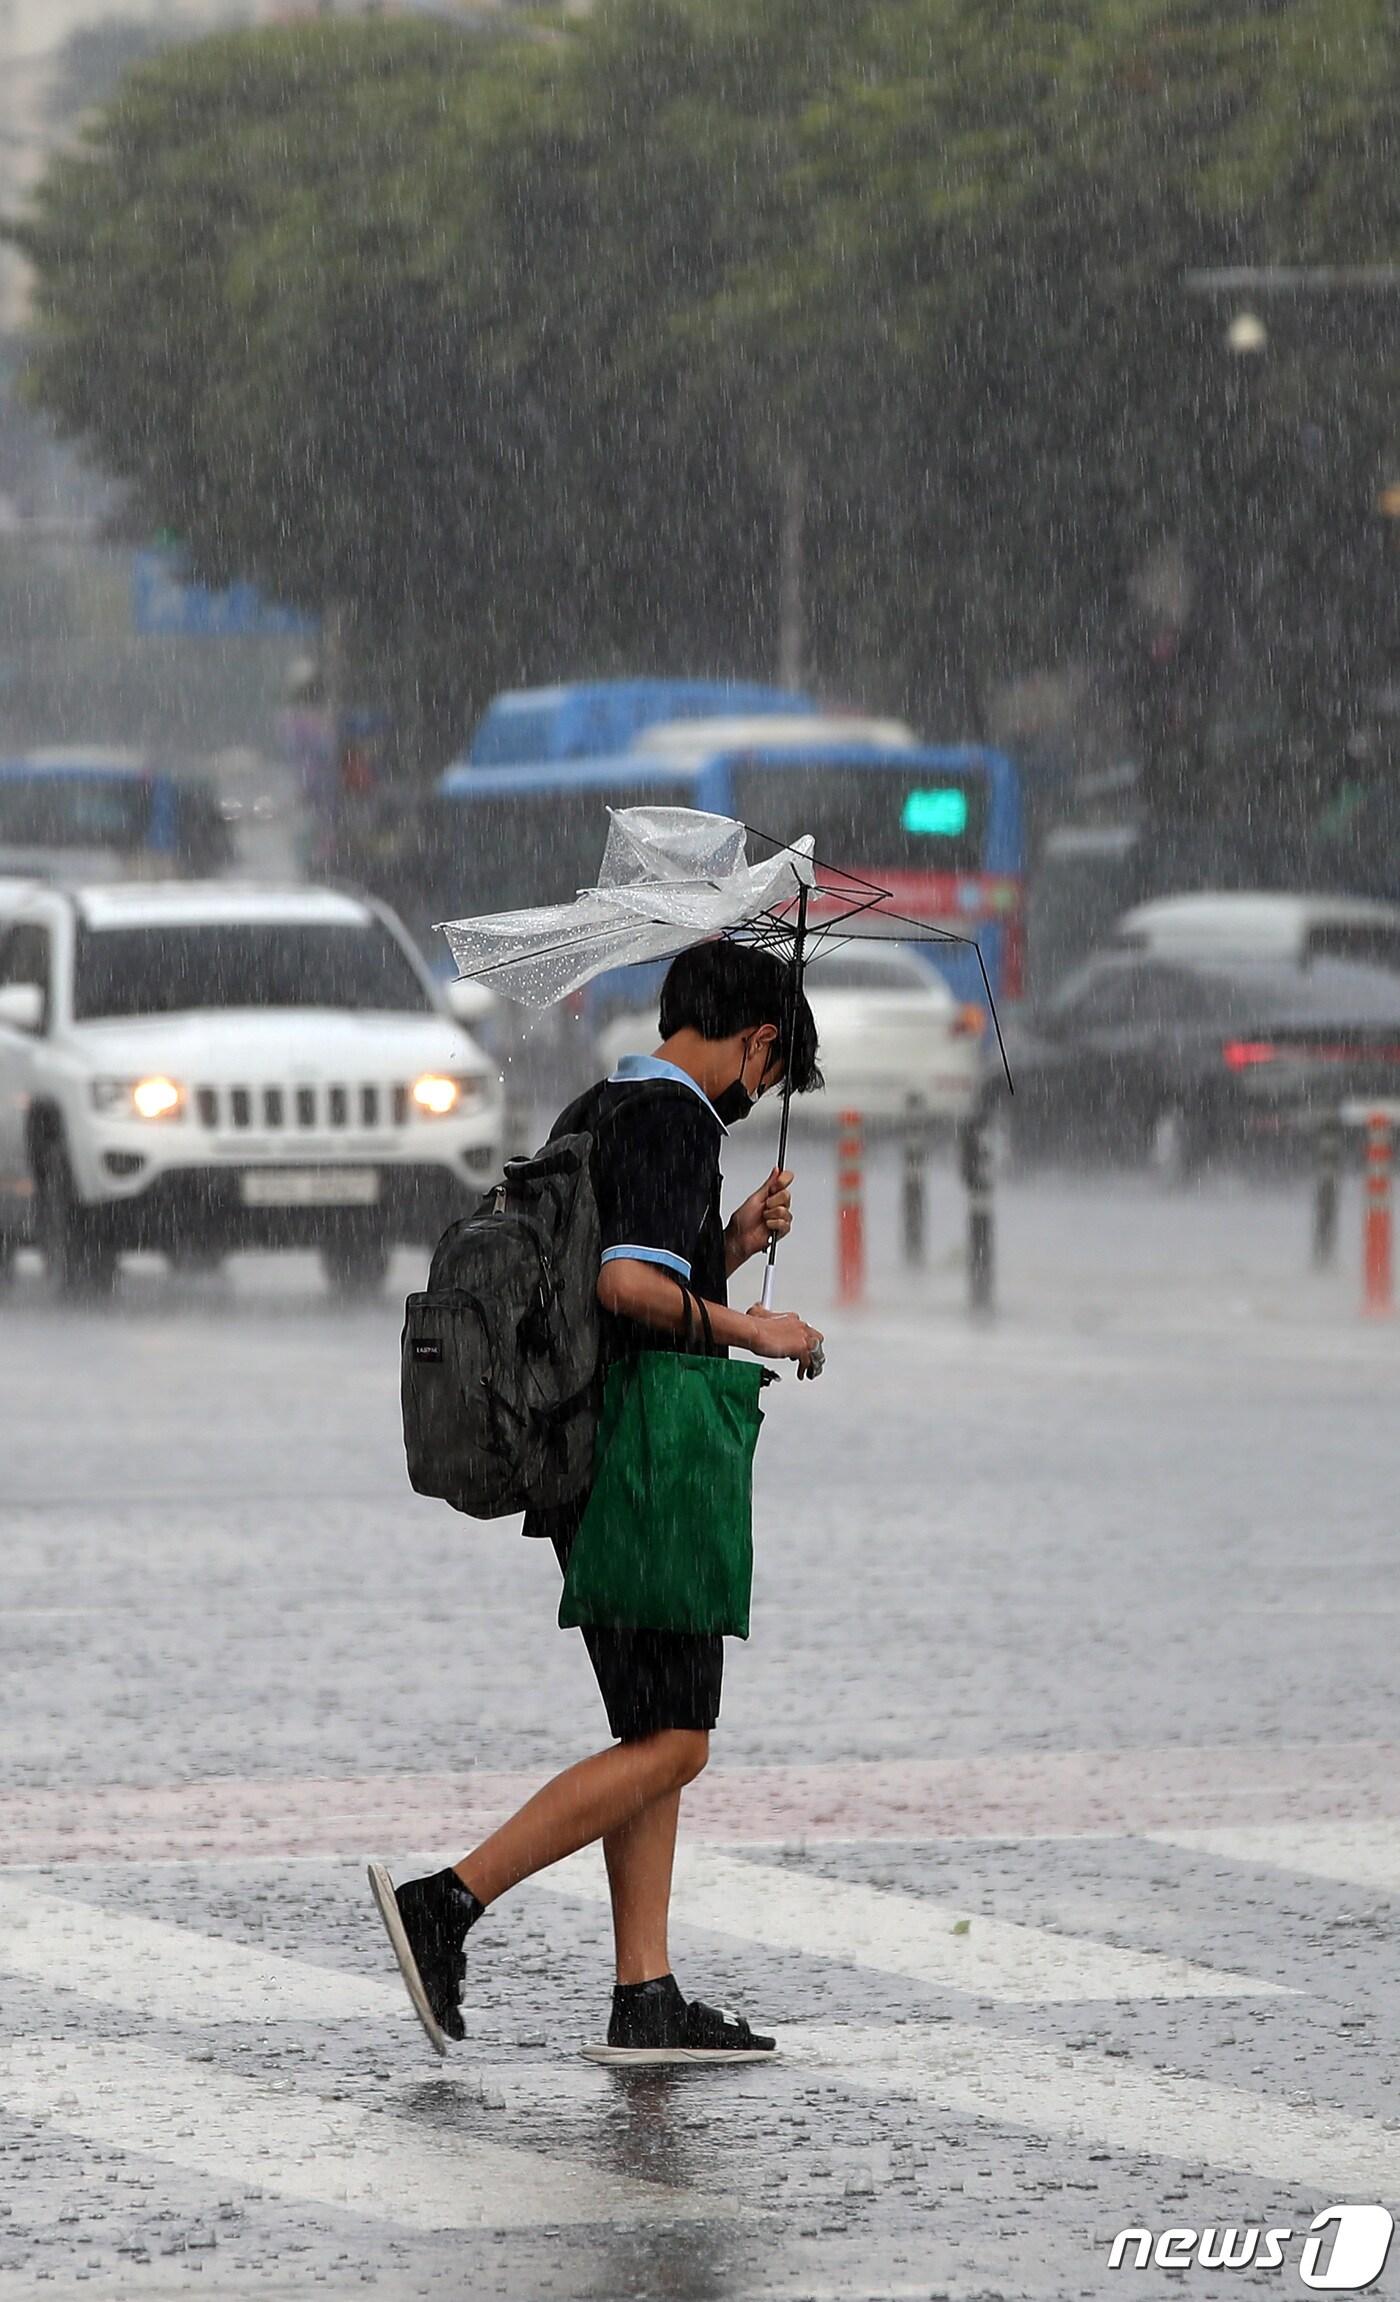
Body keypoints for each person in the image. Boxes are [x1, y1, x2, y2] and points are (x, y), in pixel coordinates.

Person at [372, 939, 824, 2063]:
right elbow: (627, 1288)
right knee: (677, 1743)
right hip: (646, 1458)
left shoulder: (604, 1102)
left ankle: (645, 1992)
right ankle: (447, 1903)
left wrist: (727, 1241)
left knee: (651, 1729)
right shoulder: (676, 1122)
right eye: (772, 1072)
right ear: (758, 1040)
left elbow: (613, 1281)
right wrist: (757, 1327)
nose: (758, 1094)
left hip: (591, 1450)